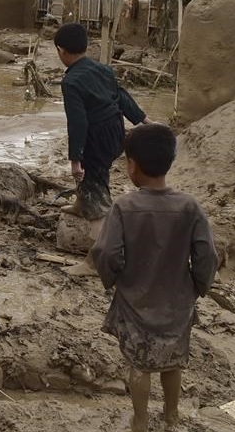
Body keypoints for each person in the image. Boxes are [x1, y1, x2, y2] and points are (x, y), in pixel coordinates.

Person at [89, 124, 218, 432]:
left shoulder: (124, 206)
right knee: (174, 360)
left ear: (132, 166)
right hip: (177, 301)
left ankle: (141, 420)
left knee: (139, 363)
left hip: (135, 300)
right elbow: (207, 255)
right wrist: (199, 286)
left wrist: (114, 280)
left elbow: (105, 253)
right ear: (170, 161)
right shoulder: (189, 206)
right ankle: (172, 416)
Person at [55, 22, 152, 221]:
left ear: (61, 51)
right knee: (97, 173)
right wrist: (145, 120)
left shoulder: (71, 82)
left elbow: (78, 122)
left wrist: (75, 159)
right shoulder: (103, 69)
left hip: (97, 137)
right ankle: (82, 203)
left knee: (94, 177)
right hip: (116, 132)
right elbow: (121, 96)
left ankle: (103, 217)